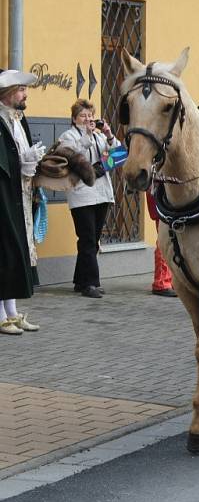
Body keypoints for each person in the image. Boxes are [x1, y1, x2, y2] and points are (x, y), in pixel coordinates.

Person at [59, 99, 121, 298]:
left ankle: (80, 280)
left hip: (101, 192)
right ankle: (91, 283)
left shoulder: (98, 136)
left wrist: (109, 135)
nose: (88, 119)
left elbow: (118, 154)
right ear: (74, 118)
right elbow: (74, 155)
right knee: (86, 238)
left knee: (93, 240)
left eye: (90, 115)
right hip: (82, 194)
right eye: (83, 115)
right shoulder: (67, 136)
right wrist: (87, 135)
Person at [0, 69, 44, 334]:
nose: (25, 94)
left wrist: (31, 161)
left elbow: (21, 151)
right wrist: (21, 163)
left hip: (20, 194)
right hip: (5, 196)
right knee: (5, 252)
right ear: (7, 94)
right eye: (20, 90)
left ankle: (12, 313)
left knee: (15, 253)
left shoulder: (18, 119)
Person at [146, 189, 177, 297]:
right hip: (163, 203)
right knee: (165, 242)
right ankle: (161, 282)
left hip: (167, 202)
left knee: (173, 243)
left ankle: (170, 281)